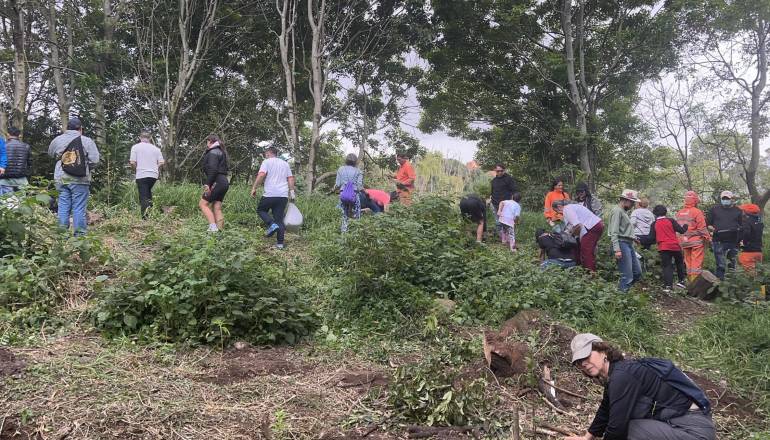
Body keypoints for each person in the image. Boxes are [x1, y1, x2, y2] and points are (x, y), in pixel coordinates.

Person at [565, 333, 715, 440]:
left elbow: (617, 427)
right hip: (684, 425)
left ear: (603, 351)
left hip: (693, 431)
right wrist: (587, 437)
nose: (583, 363)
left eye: (586, 356)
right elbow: (606, 408)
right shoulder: (618, 372)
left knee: (629, 429)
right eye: (579, 361)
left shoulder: (622, 376)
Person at [47, 117, 100, 236]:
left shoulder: (57, 140)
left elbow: (50, 154)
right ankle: (79, 238)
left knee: (63, 206)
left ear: (67, 128)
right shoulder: (87, 141)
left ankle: (62, 236)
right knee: (79, 208)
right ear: (80, 129)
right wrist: (84, 167)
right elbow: (95, 160)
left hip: (61, 178)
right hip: (80, 179)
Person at [250, 146, 296, 249]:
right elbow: (290, 178)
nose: (265, 156)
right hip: (282, 195)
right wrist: (292, 192)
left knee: (261, 210)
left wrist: (254, 188)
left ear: (268, 154)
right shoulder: (285, 164)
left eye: (266, 154)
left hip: (270, 194)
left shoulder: (266, 162)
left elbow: (261, 175)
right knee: (279, 219)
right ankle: (280, 244)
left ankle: (271, 224)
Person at [553, 200, 604, 272]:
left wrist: (570, 235)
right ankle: (582, 270)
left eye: (557, 211)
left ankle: (591, 275)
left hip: (592, 226)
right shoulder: (573, 207)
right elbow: (572, 226)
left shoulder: (566, 209)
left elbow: (577, 225)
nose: (559, 213)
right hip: (597, 224)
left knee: (586, 251)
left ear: (559, 207)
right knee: (584, 249)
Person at [647, 205, 688, 292]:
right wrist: (685, 226)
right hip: (675, 246)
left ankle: (668, 286)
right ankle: (681, 281)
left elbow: (651, 238)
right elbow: (681, 231)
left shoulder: (654, 224)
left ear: (655, 213)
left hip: (663, 247)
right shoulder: (671, 220)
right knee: (680, 263)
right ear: (665, 212)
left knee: (667, 266)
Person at [609, 189, 642, 292]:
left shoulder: (623, 212)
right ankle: (622, 297)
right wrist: (617, 249)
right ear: (625, 200)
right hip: (621, 244)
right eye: (632, 202)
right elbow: (614, 231)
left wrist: (634, 238)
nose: (632, 205)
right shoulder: (617, 211)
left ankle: (624, 292)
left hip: (628, 243)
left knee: (637, 272)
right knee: (627, 276)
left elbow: (624, 230)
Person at [707, 190, 743, 280]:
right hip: (718, 240)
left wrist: (741, 238)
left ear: (732, 199)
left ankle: (732, 284)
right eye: (724, 198)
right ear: (721, 199)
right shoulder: (714, 209)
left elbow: (742, 225)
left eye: (727, 198)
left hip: (733, 241)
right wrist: (713, 229)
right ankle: (719, 283)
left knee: (732, 263)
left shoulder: (738, 211)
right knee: (720, 264)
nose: (725, 200)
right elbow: (708, 224)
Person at [129, 130, 165, 218]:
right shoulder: (156, 149)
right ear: (150, 138)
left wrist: (136, 169)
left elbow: (132, 162)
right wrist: (155, 167)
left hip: (142, 174)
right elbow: (161, 162)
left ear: (140, 138)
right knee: (148, 193)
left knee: (143, 196)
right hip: (153, 175)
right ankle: (151, 214)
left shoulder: (136, 147)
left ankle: (145, 217)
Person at [676, 191, 710, 282]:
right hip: (696, 242)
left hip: (684, 242)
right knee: (696, 263)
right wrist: (708, 238)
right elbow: (702, 228)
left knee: (688, 263)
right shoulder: (697, 212)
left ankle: (689, 282)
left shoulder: (679, 212)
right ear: (695, 200)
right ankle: (695, 283)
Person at [198, 134, 228, 232]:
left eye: (207, 141)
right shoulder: (221, 152)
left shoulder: (213, 152)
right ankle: (220, 232)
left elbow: (213, 169)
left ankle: (213, 228)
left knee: (203, 204)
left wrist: (208, 184)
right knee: (217, 207)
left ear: (210, 141)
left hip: (217, 181)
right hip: (224, 182)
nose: (206, 143)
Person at [334, 153, 363, 232]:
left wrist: (334, 189)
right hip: (354, 195)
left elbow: (338, 184)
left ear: (346, 160)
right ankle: (356, 232)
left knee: (343, 214)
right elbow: (360, 186)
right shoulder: (358, 171)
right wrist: (364, 192)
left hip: (343, 194)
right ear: (355, 161)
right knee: (357, 213)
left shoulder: (341, 169)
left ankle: (344, 232)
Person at [0, 126, 31, 194]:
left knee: (6, 203)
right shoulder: (26, 146)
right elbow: (29, 163)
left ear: (8, 134)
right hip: (21, 179)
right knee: (22, 203)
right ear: (19, 135)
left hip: (5, 180)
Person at [490, 163, 518, 238]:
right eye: (497, 171)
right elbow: (492, 192)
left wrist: (512, 203)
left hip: (506, 205)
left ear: (504, 170)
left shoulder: (509, 179)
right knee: (498, 222)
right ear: (495, 171)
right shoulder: (494, 181)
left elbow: (514, 191)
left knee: (507, 222)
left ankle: (510, 237)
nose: (499, 172)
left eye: (501, 171)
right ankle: (502, 238)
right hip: (495, 203)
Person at [738, 203, 763, 274]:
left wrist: (743, 242)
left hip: (748, 252)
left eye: (743, 210)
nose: (742, 212)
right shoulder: (759, 222)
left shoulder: (746, 221)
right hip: (758, 251)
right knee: (758, 274)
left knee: (749, 276)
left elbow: (746, 232)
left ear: (747, 212)